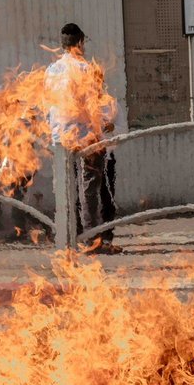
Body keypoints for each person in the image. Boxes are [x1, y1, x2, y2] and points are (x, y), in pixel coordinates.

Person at [45, 22, 119, 253]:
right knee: (89, 188)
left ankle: (68, 239)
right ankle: (91, 239)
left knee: (65, 188)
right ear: (80, 42)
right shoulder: (88, 69)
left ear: (62, 44)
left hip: (61, 137)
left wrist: (52, 130)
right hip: (87, 136)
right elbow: (96, 102)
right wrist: (106, 122)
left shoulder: (51, 71)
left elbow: (47, 105)